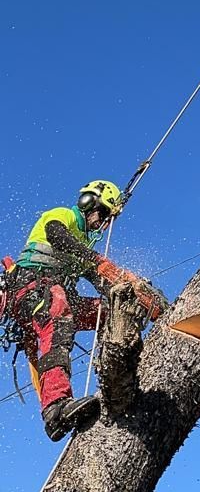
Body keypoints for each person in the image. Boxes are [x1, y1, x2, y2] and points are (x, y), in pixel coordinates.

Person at [10, 180, 134, 441]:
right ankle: (55, 408)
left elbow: (98, 277)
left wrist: (129, 289)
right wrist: (96, 260)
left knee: (109, 311)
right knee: (58, 316)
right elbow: (55, 234)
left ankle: (116, 373)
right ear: (89, 203)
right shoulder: (63, 216)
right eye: (103, 216)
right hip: (32, 288)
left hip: (59, 296)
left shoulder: (83, 246)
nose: (103, 225)